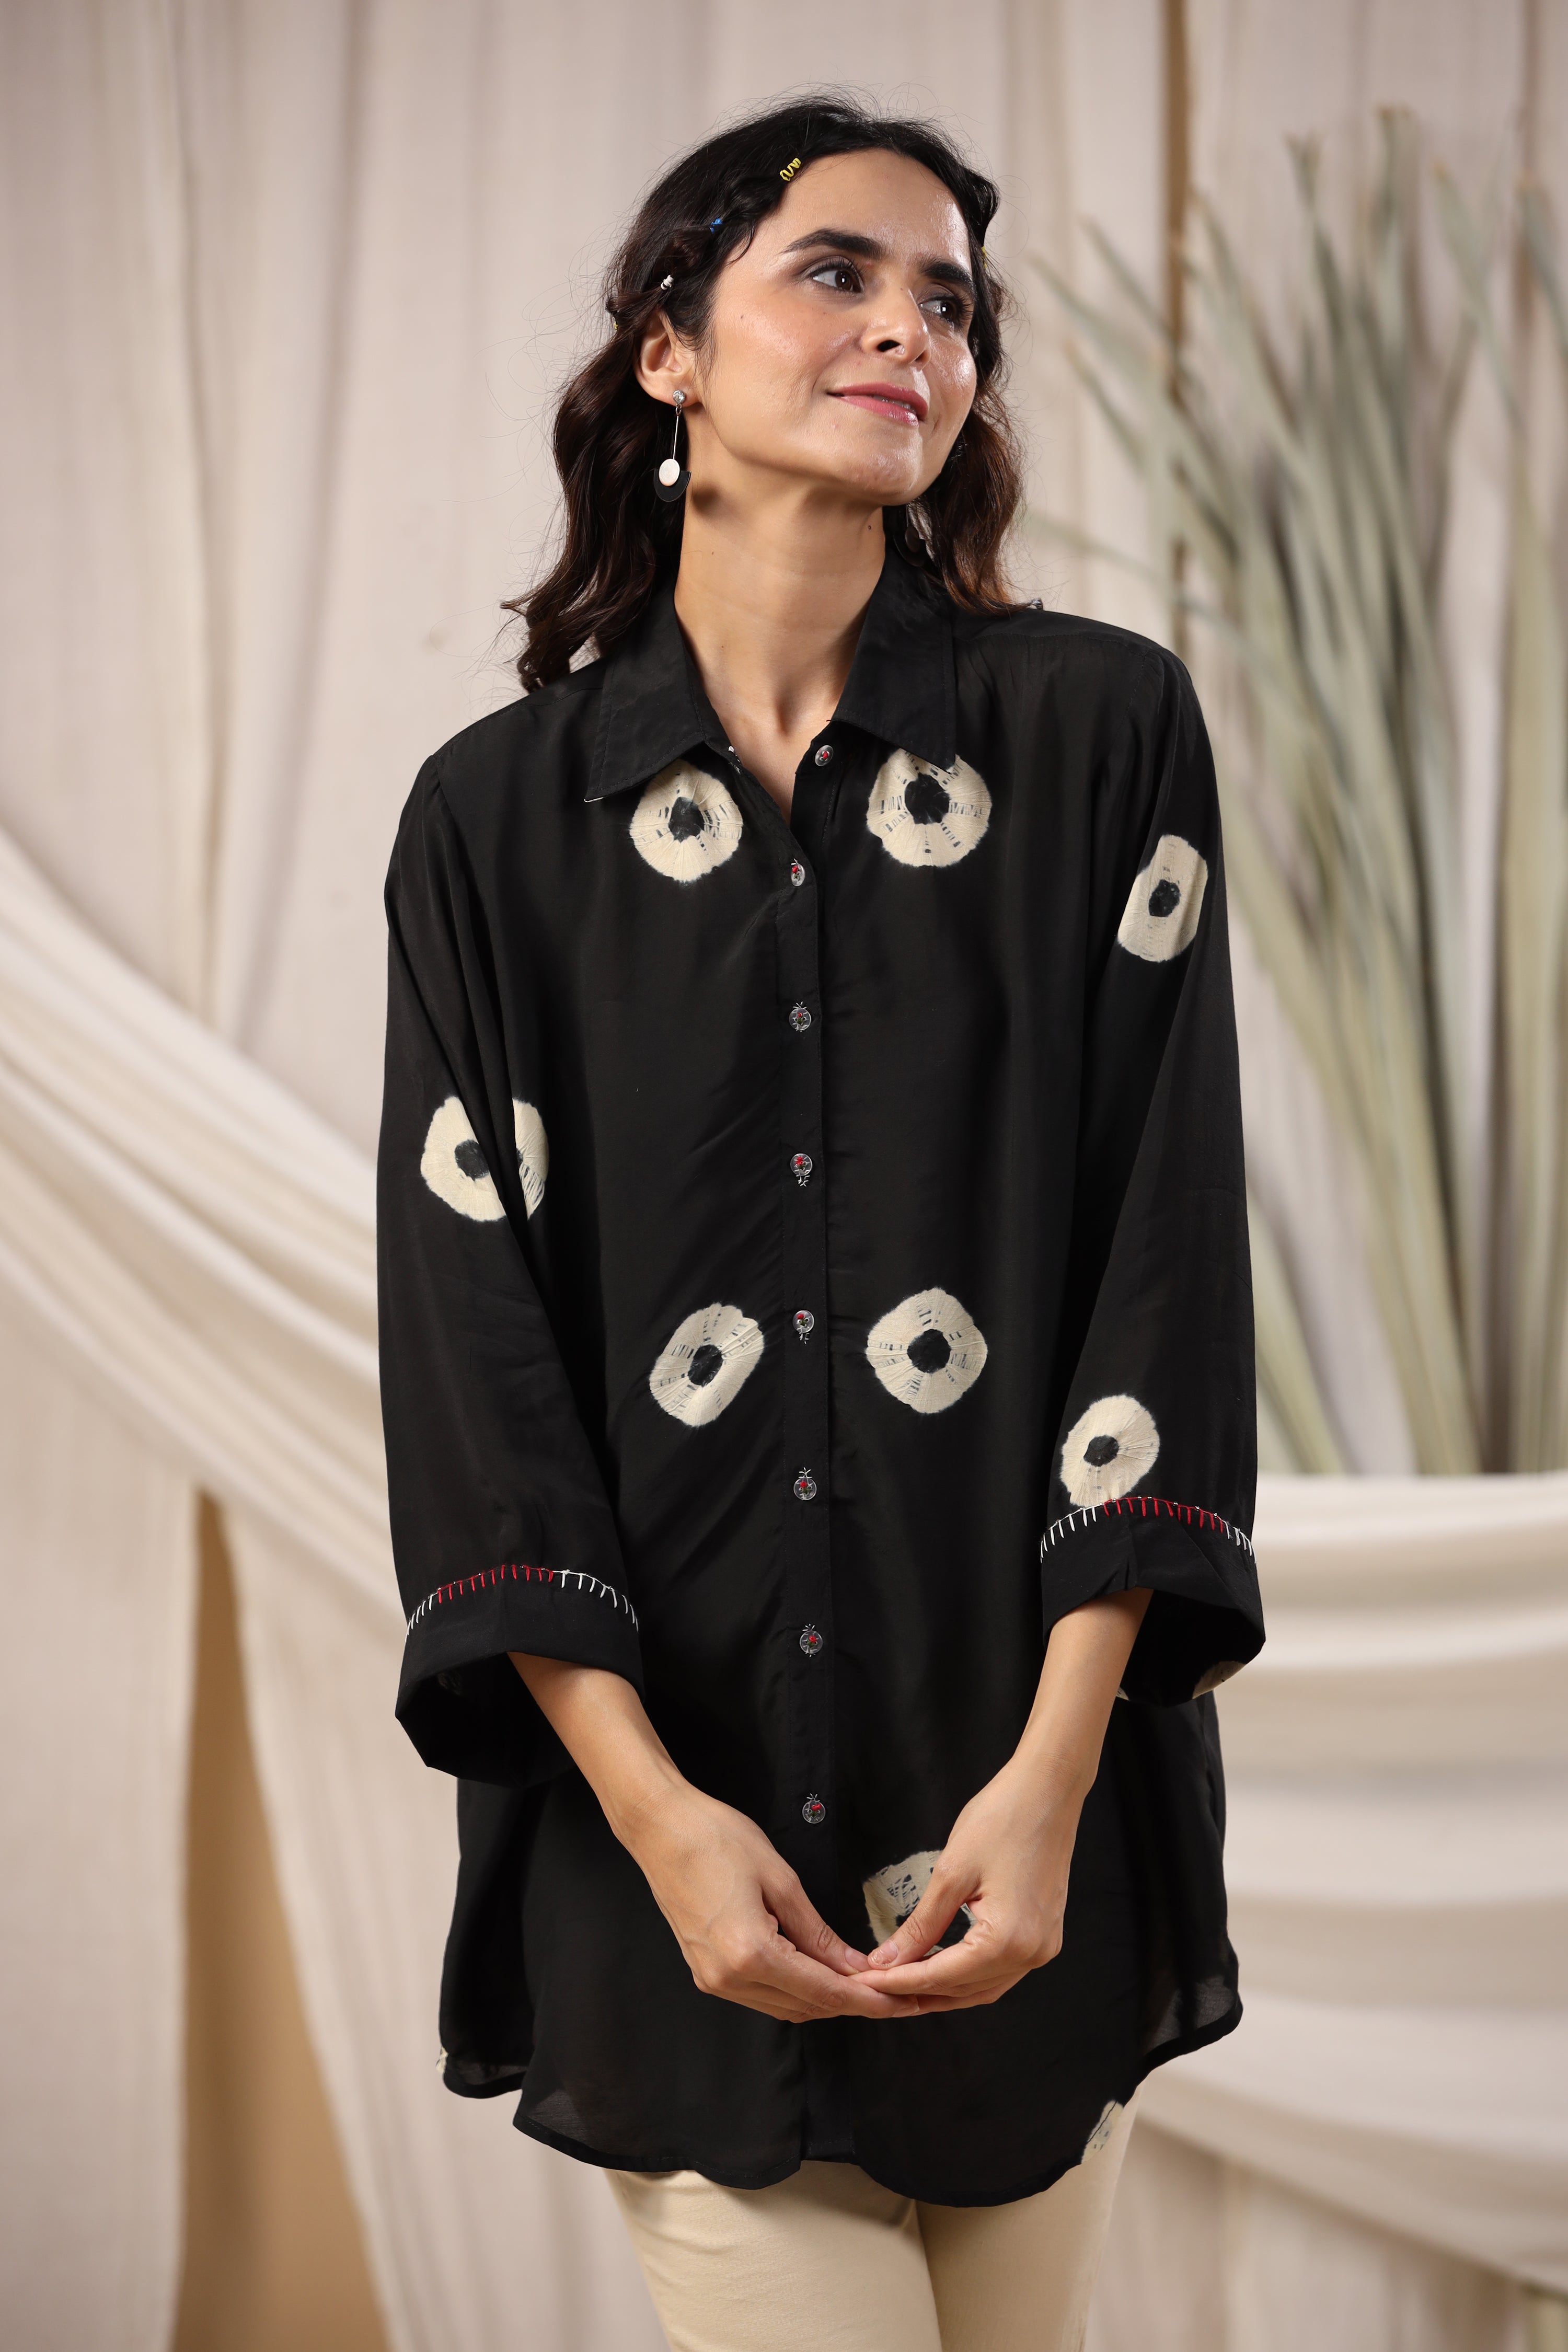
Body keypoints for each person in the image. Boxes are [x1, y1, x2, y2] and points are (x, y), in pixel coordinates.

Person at [376, 93, 1263, 2352]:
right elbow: (477, 1360)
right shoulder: (496, 826)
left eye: (950, 301)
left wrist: (1054, 1781)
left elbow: (1162, 1262)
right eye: (839, 274)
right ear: (669, 346)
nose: (910, 331)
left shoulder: (1104, 740)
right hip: (669, 1841)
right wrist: (657, 1817)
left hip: (1027, 1814)